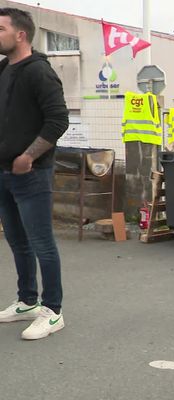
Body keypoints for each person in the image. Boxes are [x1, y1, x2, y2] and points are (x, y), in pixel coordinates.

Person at [0, 8, 69, 340]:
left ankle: (53, 311)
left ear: (20, 34)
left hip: (31, 174)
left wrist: (28, 155)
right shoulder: (3, 70)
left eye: (0, 29)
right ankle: (27, 301)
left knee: (41, 243)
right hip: (3, 173)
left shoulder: (39, 72)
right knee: (17, 241)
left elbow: (58, 120)